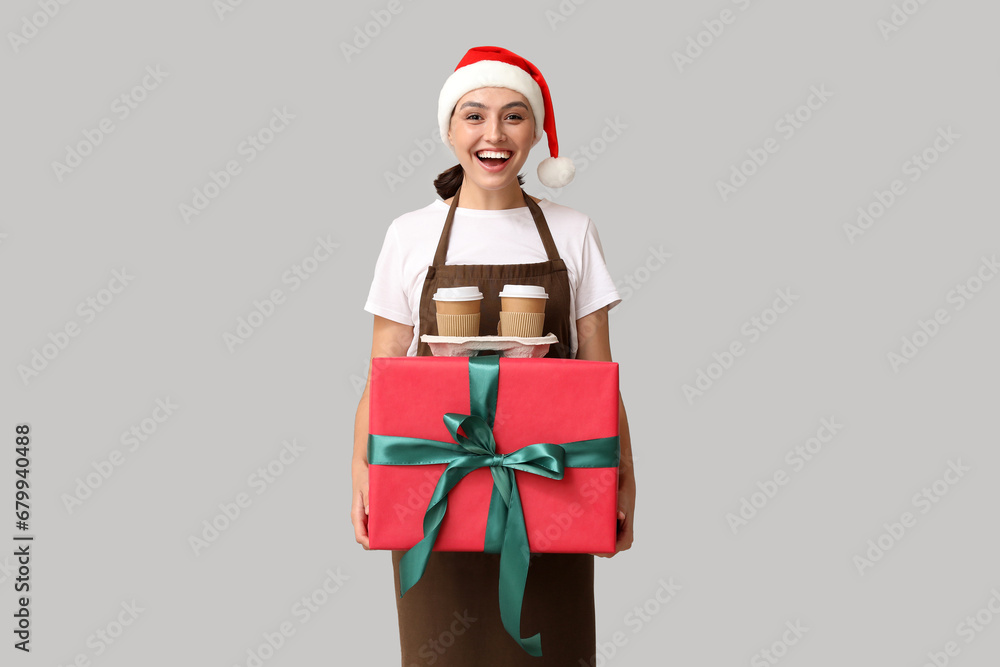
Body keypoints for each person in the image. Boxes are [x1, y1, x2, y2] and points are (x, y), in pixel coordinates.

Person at [351, 45, 635, 665]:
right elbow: (383, 370)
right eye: (474, 115)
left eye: (513, 115)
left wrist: (623, 480)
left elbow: (599, 374)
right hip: (434, 492)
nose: (494, 134)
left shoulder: (573, 230)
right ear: (449, 129)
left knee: (552, 649)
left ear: (534, 131)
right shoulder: (410, 234)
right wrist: (362, 474)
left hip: (552, 484)